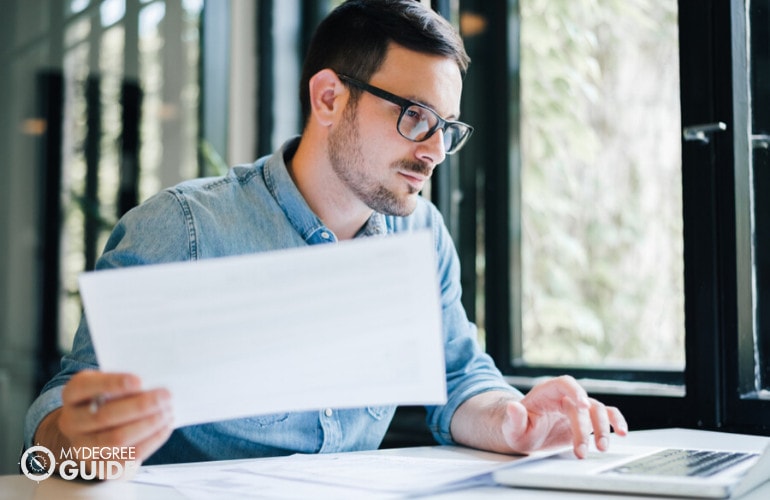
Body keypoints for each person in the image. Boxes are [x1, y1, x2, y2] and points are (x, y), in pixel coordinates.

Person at [25, 0, 626, 474]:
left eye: (447, 127)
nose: (435, 150)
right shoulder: (183, 230)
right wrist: (80, 447)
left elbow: (459, 379)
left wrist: (514, 419)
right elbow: (56, 429)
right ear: (330, 98)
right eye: (415, 116)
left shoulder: (420, 234)